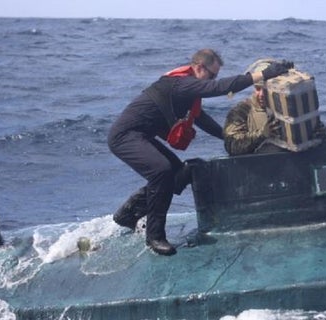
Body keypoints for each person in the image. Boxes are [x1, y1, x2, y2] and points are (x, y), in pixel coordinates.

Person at [108, 49, 293, 256]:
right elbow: (220, 88)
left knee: (180, 172)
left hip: (141, 135)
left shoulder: (188, 93)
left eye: (215, 76)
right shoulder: (181, 84)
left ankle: (128, 215)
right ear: (198, 67)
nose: (213, 79)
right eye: (211, 75)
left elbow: (201, 119)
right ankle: (155, 237)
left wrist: (227, 137)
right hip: (125, 136)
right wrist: (264, 74)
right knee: (161, 170)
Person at [223, 59, 326, 156]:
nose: (261, 94)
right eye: (258, 89)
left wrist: (320, 133)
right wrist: (262, 135)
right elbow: (231, 145)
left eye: (266, 90)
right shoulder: (242, 111)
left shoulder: (292, 107)